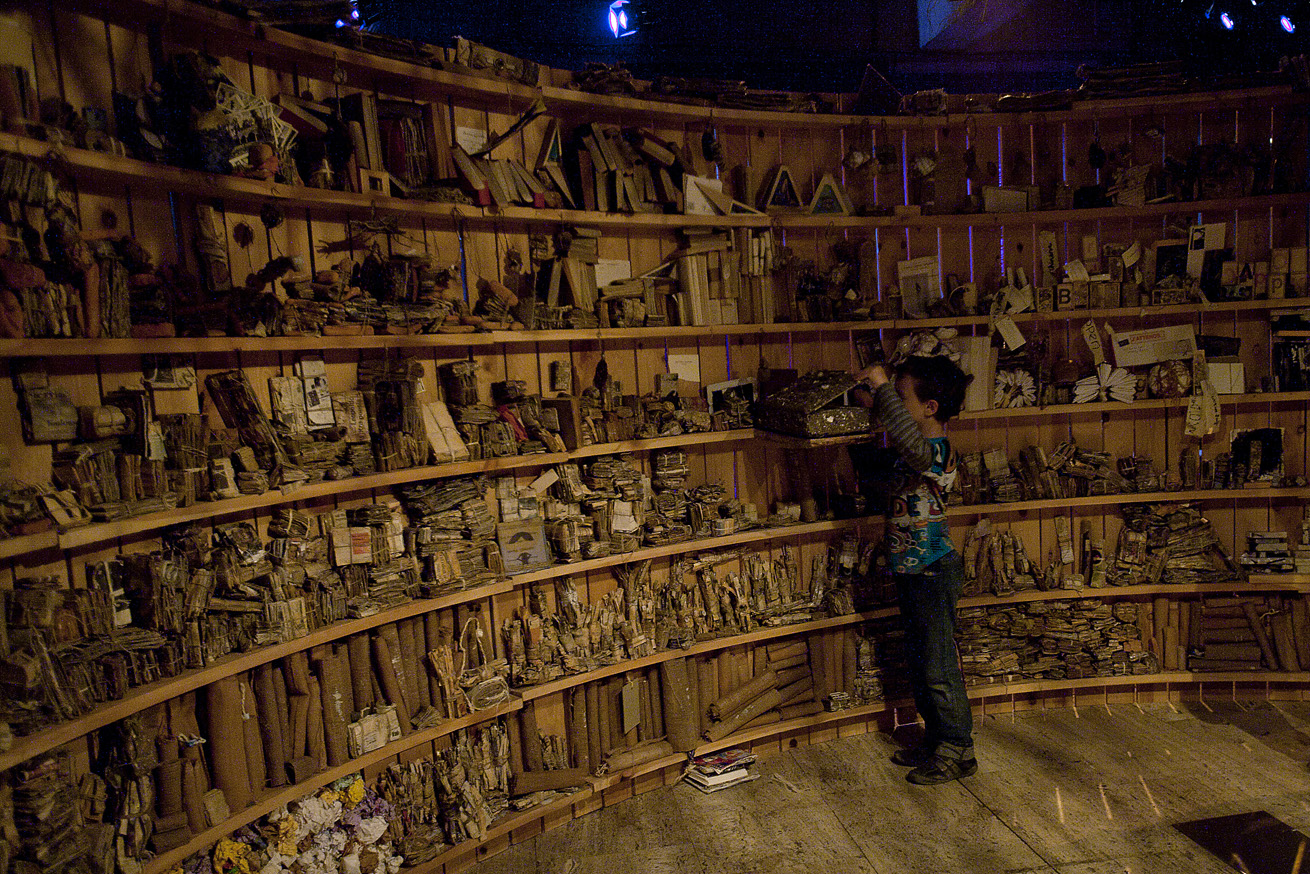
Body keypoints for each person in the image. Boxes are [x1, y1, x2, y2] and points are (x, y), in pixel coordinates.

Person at [853, 355, 976, 785]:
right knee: (923, 664)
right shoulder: (909, 456)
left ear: (930, 407)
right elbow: (872, 468)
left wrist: (882, 387)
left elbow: (912, 446)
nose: (894, 405)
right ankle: (937, 740)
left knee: (939, 667)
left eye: (900, 398)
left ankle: (959, 749)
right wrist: (872, 412)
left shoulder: (939, 453)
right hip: (913, 572)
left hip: (934, 570)